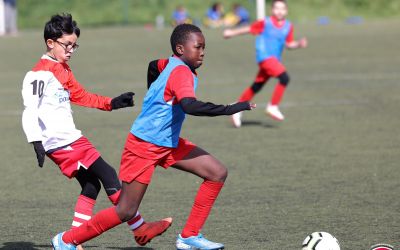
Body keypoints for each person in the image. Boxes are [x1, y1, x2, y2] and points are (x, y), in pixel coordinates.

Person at [51, 23, 255, 250]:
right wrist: (230, 108)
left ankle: (189, 236)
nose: (202, 52)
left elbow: (152, 66)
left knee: (216, 173)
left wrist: (155, 94)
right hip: (144, 146)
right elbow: (189, 105)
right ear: (180, 49)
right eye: (198, 47)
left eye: (204, 47)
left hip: (167, 142)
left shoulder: (169, 62)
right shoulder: (181, 72)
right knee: (126, 210)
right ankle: (66, 240)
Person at [21, 13, 171, 250]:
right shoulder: (39, 74)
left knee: (91, 184)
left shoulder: (64, 70)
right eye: (66, 45)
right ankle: (140, 228)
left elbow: (81, 96)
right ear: (50, 42)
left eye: (74, 45)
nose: (71, 50)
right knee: (109, 174)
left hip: (67, 139)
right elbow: (30, 109)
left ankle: (73, 240)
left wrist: (112, 103)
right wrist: (36, 141)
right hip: (62, 141)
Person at [224, 0, 307, 126]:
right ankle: (273, 106)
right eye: (277, 8)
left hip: (273, 61)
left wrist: (299, 44)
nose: (279, 11)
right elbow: (248, 29)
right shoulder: (266, 23)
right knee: (284, 78)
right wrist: (231, 33)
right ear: (272, 10)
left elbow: (289, 44)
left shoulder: (288, 26)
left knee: (256, 86)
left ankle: (237, 109)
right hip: (264, 58)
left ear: (286, 11)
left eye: (282, 8)